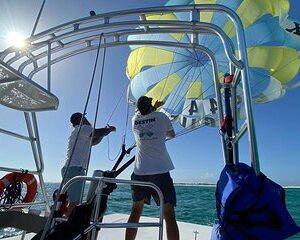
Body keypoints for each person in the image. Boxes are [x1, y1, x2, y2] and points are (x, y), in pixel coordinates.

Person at [125, 96, 179, 240]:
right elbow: (171, 134)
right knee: (169, 214)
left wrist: (154, 107)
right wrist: (157, 109)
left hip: (139, 171)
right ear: (150, 106)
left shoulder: (134, 120)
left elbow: (145, 114)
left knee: (136, 211)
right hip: (160, 171)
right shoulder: (161, 117)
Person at [61, 112, 116, 216]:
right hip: (75, 169)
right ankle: (69, 227)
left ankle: (66, 222)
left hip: (68, 169)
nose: (87, 120)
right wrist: (109, 129)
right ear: (81, 119)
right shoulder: (83, 127)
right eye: (85, 118)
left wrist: (104, 133)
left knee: (71, 200)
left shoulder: (77, 132)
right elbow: (96, 133)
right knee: (74, 202)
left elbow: (94, 142)